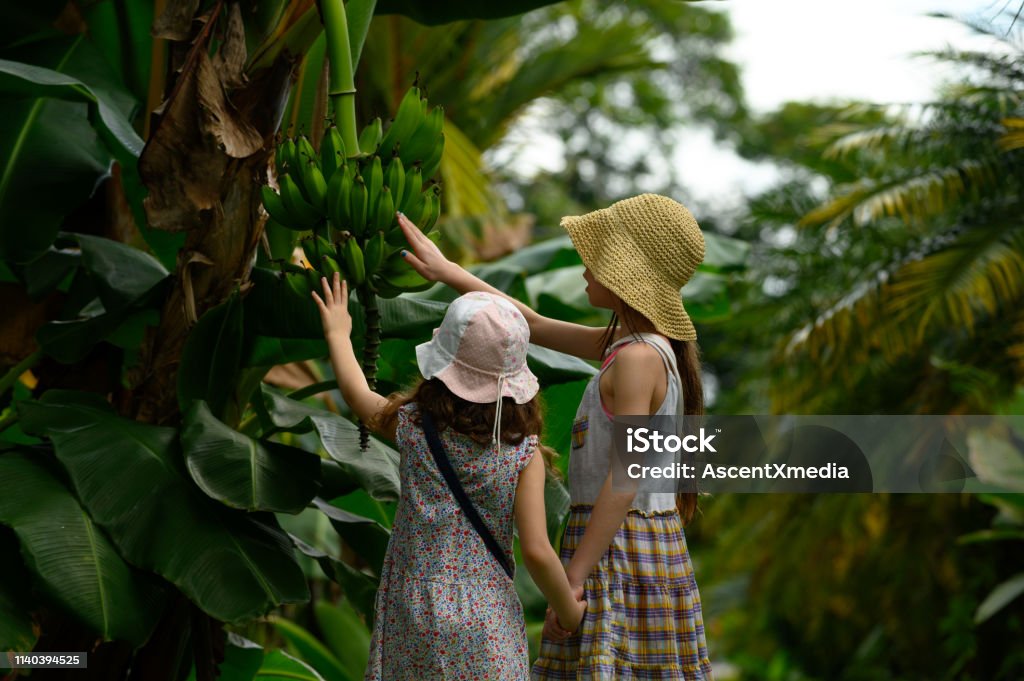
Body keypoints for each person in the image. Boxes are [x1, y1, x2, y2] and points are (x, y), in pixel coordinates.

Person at [395, 193, 714, 680]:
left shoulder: (637, 358)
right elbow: (535, 325)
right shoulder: (631, 344)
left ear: (626, 273)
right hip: (617, 539)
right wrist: (451, 272)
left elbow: (626, 477)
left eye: (597, 255)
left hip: (618, 545)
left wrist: (575, 575)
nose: (584, 264)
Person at [312, 275, 587, 681]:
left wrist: (338, 331)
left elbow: (356, 394)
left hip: (414, 608)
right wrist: (570, 612)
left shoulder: (414, 427)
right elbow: (537, 551)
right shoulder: (522, 455)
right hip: (485, 617)